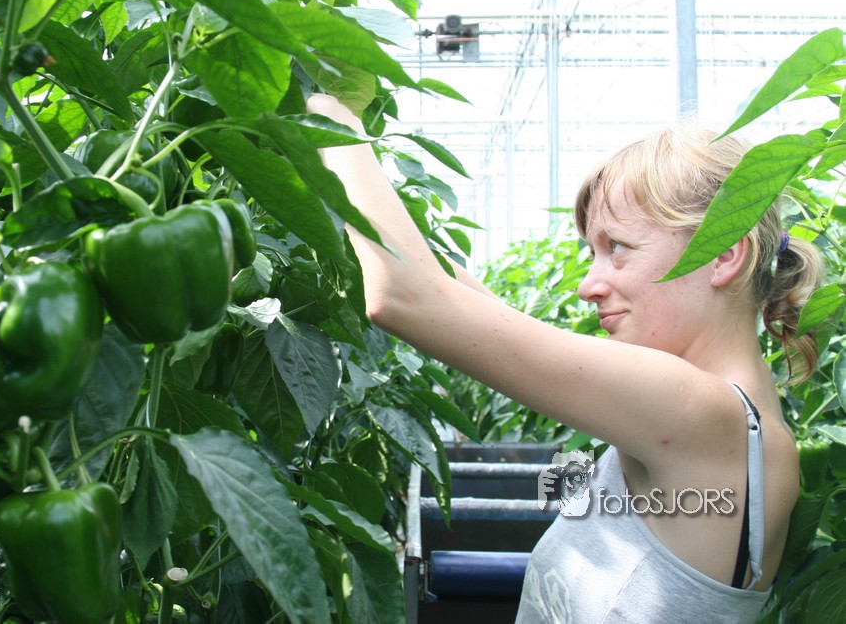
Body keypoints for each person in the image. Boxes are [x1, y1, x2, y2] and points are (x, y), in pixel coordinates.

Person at [306, 93, 823, 623]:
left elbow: (405, 296)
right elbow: (484, 315)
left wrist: (331, 112)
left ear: (723, 254)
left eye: (617, 247)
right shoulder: (730, 418)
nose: (587, 285)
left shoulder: (701, 415)